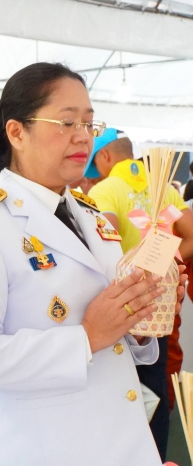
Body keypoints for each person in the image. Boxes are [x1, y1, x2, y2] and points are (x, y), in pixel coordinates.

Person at [0, 62, 186, 466]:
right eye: (66, 122)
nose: (83, 136)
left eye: (88, 123)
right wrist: (86, 336)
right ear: (17, 132)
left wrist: (140, 319)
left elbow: (114, 338)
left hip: (117, 439)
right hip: (37, 447)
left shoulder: (93, 217)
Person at [85, 128, 193, 461]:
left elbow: (107, 250)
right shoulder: (163, 187)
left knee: (123, 388)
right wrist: (161, 267)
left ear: (104, 157)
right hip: (162, 304)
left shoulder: (106, 189)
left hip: (121, 311)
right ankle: (157, 455)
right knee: (157, 383)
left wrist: (135, 274)